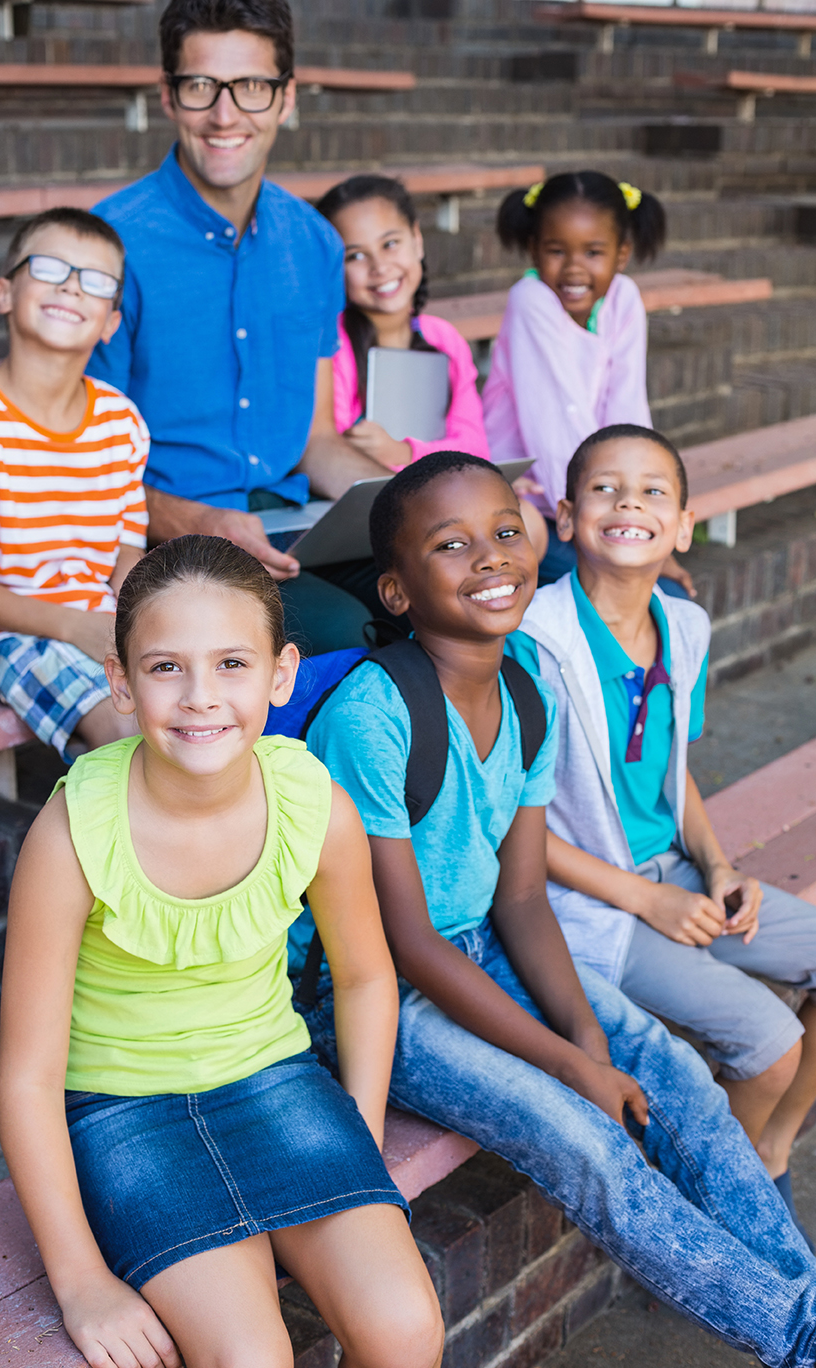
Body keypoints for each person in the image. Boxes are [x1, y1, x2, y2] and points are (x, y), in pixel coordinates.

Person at [294, 450, 816, 1368]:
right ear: (399, 590)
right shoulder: (372, 715)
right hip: (373, 988)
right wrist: (573, 1063)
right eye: (451, 546)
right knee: (588, 1144)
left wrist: (585, 1027)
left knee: (678, 1076)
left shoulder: (528, 679)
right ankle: (797, 1341)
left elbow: (522, 893)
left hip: (487, 942)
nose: (491, 557)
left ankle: (802, 1312)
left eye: (505, 531)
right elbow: (405, 944)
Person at [0, 533, 444, 1368]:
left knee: (406, 1335)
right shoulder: (72, 834)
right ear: (120, 683)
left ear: (280, 675)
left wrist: (362, 1129)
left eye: (232, 663)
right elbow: (25, 1076)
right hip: (125, 1109)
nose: (200, 697)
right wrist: (82, 1279)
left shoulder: (313, 802)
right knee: (248, 1364)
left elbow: (364, 974)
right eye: (165, 668)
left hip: (274, 1079)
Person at [506, 422, 816, 1242]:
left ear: (682, 526)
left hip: (674, 875)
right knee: (770, 1042)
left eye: (653, 491)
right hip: (588, 902)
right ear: (566, 518)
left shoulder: (685, 625)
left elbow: (672, 769)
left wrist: (717, 868)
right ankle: (725, 1208)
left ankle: (769, 1153)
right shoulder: (534, 643)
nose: (628, 503)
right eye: (605, 488)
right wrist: (648, 899)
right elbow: (509, 825)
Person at [88, 0, 397, 655]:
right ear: (169, 96)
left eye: (252, 88)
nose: (225, 116)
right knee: (345, 637)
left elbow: (316, 439)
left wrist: (419, 504)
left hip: (292, 523)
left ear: (285, 99)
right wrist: (196, 519)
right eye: (202, 87)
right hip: (168, 538)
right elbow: (84, 465)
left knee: (451, 593)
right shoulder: (110, 245)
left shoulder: (313, 240)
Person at [0, 207, 148, 762]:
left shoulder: (121, 421)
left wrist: (149, 615)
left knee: (198, 697)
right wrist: (75, 626)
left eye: (95, 281)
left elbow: (126, 551)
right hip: (1, 634)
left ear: (110, 321)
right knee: (126, 728)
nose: (70, 285)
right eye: (49, 268)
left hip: (100, 617)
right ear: (4, 293)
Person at [314, 173, 548, 588]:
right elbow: (335, 447)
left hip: (443, 502)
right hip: (366, 516)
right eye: (355, 256)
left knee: (528, 521)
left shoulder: (443, 339)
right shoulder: (332, 344)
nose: (380, 266)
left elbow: (473, 445)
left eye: (390, 244)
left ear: (417, 241)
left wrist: (402, 450)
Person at [481, 170, 693, 599]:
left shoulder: (623, 298)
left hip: (593, 496)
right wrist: (602, 519)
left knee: (666, 596)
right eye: (556, 250)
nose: (574, 268)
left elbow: (629, 411)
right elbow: (556, 428)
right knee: (644, 595)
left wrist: (650, 515)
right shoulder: (531, 300)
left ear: (622, 254)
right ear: (534, 250)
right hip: (535, 503)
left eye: (593, 252)